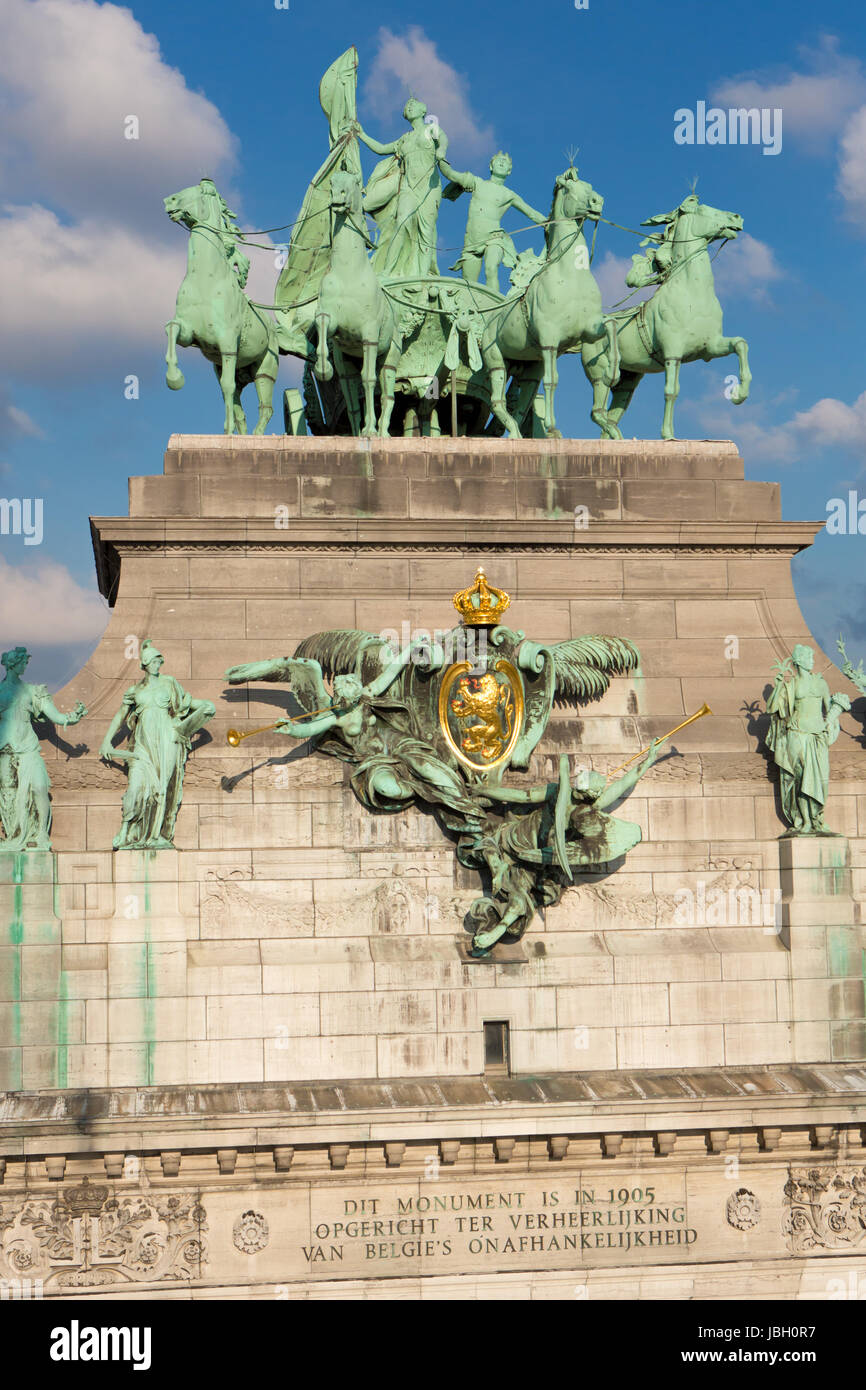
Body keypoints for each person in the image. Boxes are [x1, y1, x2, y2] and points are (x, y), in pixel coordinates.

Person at [466, 740, 662, 953]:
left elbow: (619, 786)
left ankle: (493, 933)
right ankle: (498, 873)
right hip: (521, 839)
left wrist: (648, 761)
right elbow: (520, 796)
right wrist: (484, 790)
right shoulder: (563, 795)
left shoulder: (584, 810)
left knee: (516, 891)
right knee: (488, 849)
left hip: (535, 857)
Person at [99, 639, 215, 849]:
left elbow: (186, 704)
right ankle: (124, 830)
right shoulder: (135, 690)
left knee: (162, 788)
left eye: (158, 661)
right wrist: (107, 741)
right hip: (143, 744)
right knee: (135, 787)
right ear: (144, 664)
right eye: (153, 661)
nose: (157, 665)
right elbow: (119, 716)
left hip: (166, 738)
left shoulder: (169, 682)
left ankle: (156, 835)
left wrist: (205, 706)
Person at [0, 646, 86, 850]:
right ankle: (14, 835)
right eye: (23, 663)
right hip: (5, 750)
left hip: (28, 747)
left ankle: (40, 835)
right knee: (8, 795)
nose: (26, 666)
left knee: (39, 788)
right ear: (13, 664)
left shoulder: (32, 691)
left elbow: (55, 716)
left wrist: (72, 717)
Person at [355, 99, 448, 278]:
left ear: (423, 110)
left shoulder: (431, 128)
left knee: (425, 230)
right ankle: (387, 271)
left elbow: (443, 139)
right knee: (401, 223)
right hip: (409, 186)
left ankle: (421, 277)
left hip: (429, 186)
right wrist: (362, 134)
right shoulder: (404, 139)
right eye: (406, 106)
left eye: (413, 103)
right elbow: (382, 149)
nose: (409, 106)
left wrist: (441, 150)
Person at [766, 644, 850, 834]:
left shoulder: (821, 683)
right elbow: (772, 708)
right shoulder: (791, 685)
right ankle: (805, 821)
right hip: (796, 734)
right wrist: (778, 685)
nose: (812, 660)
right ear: (799, 661)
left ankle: (816, 818)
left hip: (816, 736)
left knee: (818, 781)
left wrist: (836, 714)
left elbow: (829, 709)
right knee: (800, 779)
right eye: (809, 658)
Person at [439, 151, 547, 292]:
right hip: (472, 242)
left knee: (491, 269)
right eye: (498, 161)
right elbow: (450, 174)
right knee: (468, 286)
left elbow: (531, 213)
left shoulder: (508, 194)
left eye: (505, 162)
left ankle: (495, 308)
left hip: (493, 238)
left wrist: (552, 222)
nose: (501, 163)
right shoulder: (477, 182)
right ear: (491, 167)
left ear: (509, 171)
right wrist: (439, 155)